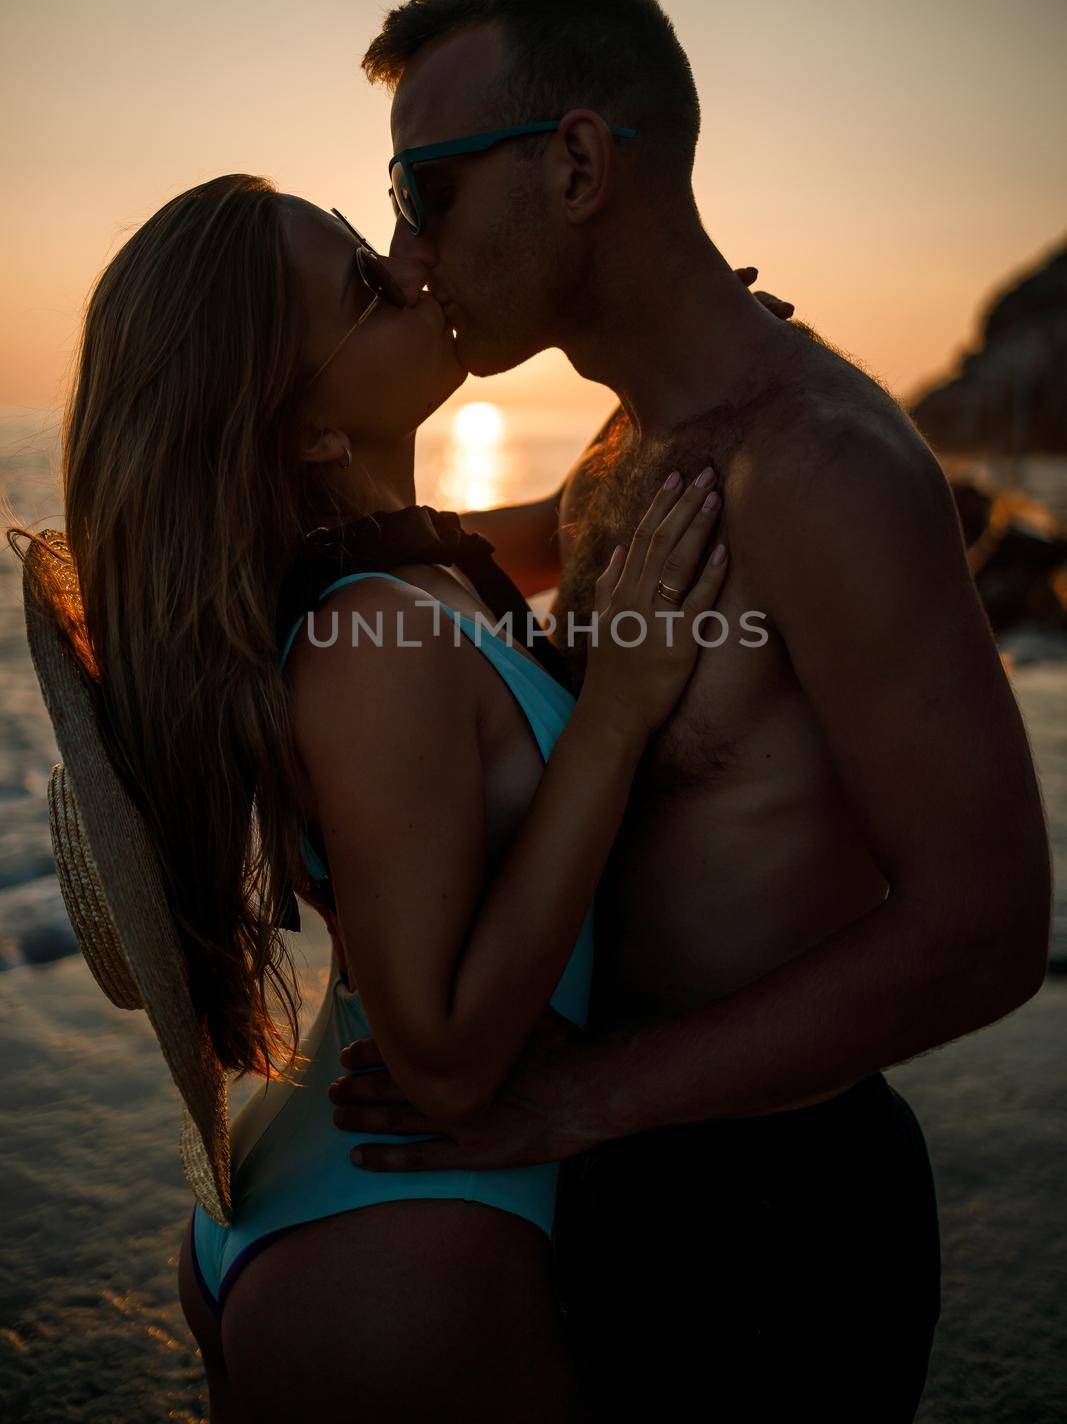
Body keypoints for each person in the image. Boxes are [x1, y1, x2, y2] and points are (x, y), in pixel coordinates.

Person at [325, 0, 1053, 1420]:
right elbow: (420, 578)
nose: (409, 256)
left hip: (770, 1231)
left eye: (424, 194)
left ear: (579, 162)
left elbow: (984, 930)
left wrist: (578, 1097)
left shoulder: (818, 472)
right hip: (613, 1182)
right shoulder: (631, 444)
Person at [10, 170, 753, 1422]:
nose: (413, 268)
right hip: (400, 1241)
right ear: (304, 428)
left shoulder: (403, 573)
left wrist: (677, 369)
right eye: (363, 282)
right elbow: (451, 1059)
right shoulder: (371, 645)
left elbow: (574, 522)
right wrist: (615, 715)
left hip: (343, 1200)